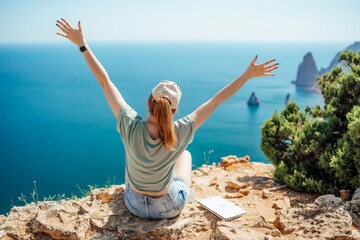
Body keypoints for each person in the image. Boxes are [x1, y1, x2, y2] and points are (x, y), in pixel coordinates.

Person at [56, 18, 278, 220]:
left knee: (129, 153)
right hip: (168, 207)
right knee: (185, 155)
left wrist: (82, 44)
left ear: (148, 102)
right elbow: (215, 102)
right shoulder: (180, 131)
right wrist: (247, 75)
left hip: (133, 204)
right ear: (174, 111)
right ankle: (178, 189)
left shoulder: (130, 125)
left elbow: (105, 82)